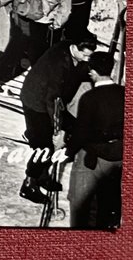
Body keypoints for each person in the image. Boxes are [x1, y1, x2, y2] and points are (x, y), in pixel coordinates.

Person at [17, 37, 97, 204]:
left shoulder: (73, 54)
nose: (87, 59)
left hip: (52, 101)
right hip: (37, 102)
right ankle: (29, 184)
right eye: (84, 55)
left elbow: (81, 71)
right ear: (74, 47)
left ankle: (42, 175)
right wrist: (57, 127)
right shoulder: (58, 63)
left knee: (71, 129)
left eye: (89, 56)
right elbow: (51, 99)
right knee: (44, 146)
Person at [65, 51, 124, 229]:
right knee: (108, 202)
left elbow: (81, 133)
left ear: (93, 72)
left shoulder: (90, 98)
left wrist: (68, 151)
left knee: (80, 200)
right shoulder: (125, 93)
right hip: (119, 155)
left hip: (95, 156)